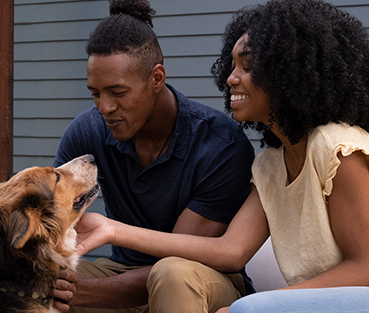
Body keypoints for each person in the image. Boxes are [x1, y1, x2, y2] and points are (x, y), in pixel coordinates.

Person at [74, 0, 369, 312]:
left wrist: (261, 305)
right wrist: (114, 229)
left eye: (247, 65)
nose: (231, 78)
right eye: (232, 65)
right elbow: (230, 250)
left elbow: (365, 269)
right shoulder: (270, 165)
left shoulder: (336, 145)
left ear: (288, 70)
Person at [0, 0, 255, 312]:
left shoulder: (219, 145)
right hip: (118, 271)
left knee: (170, 275)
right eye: (95, 93)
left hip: (200, 281)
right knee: (25, 285)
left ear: (156, 79)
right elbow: (47, 217)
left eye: (117, 93)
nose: (104, 108)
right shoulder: (88, 130)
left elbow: (175, 262)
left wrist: (76, 293)